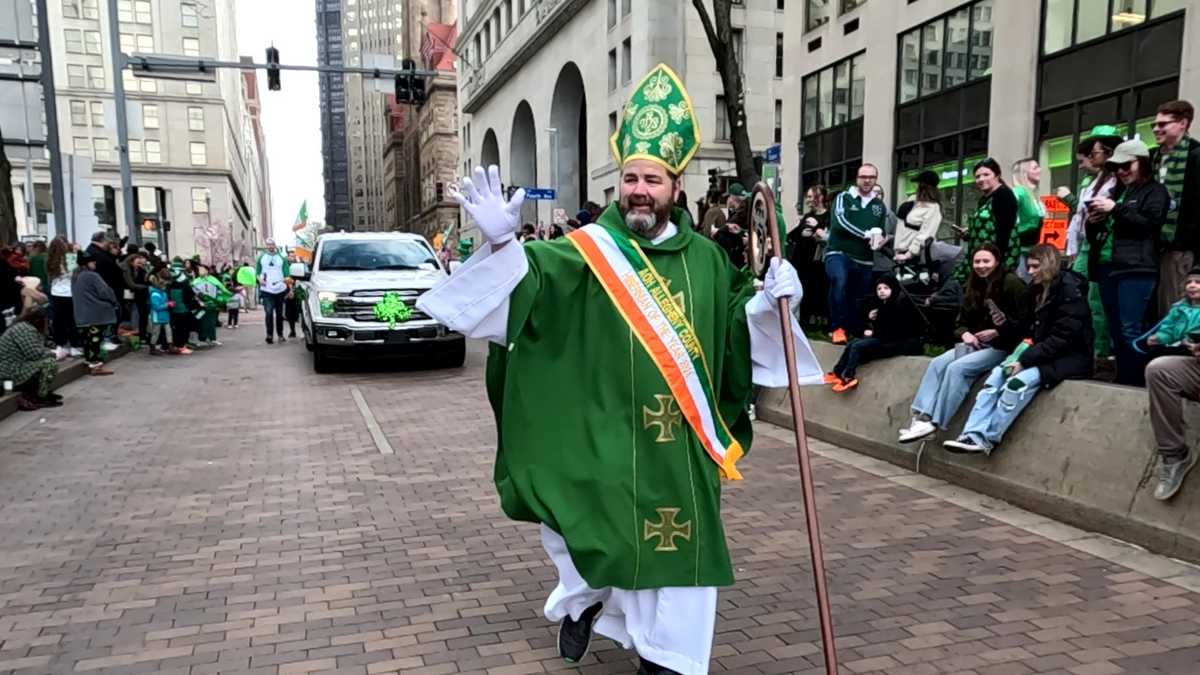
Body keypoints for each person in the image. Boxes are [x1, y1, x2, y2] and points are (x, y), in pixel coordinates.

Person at [417, 63, 822, 675]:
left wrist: (769, 301)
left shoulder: (710, 260)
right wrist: (503, 246)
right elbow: (527, 293)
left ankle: (669, 662)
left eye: (652, 179)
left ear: (675, 187)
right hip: (603, 433)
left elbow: (736, 327)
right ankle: (585, 604)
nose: (638, 189)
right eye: (630, 177)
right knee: (600, 540)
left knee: (684, 556)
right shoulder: (585, 254)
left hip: (680, 447)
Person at [942, 245, 1092, 454]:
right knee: (994, 379)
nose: (1030, 272)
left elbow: (1063, 338)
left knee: (1017, 384)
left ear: (1048, 265)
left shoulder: (1069, 292)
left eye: (1035, 267)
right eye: (1029, 267)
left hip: (1065, 358)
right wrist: (1003, 325)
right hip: (1037, 353)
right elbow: (1025, 327)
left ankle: (989, 437)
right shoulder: (1035, 291)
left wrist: (1025, 360)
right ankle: (972, 433)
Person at [900, 244, 1026, 443]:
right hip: (975, 343)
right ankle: (921, 417)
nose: (981, 266)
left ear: (997, 262)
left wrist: (998, 331)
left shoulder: (1011, 283)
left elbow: (1024, 322)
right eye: (977, 261)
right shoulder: (973, 284)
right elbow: (960, 322)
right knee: (937, 363)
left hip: (1003, 347)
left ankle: (936, 423)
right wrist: (965, 333)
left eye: (986, 261)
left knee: (957, 368)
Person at [1087, 139, 1169, 386]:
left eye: (1126, 165)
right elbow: (1101, 234)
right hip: (1109, 266)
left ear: (1141, 162)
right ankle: (1124, 376)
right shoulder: (1123, 192)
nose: (1121, 171)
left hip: (1137, 268)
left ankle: (1135, 380)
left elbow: (1150, 225)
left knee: (1131, 328)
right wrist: (1094, 220)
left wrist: (1116, 209)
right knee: (1116, 328)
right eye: (1117, 167)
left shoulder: (1155, 191)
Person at [1063, 127, 1123, 365]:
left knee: (1096, 300)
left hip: (1102, 246)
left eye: (1093, 153)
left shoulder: (1117, 180)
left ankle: (1100, 351)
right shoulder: (1095, 180)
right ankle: (1085, 344)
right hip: (1087, 244)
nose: (1088, 161)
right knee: (1076, 295)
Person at [825, 275, 923, 392]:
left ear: (893, 289)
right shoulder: (879, 305)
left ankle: (848, 376)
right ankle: (836, 372)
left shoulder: (897, 305)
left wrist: (874, 322)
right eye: (879, 289)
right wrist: (870, 320)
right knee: (852, 343)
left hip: (889, 340)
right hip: (880, 337)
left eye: (886, 288)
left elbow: (892, 328)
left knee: (857, 346)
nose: (882, 291)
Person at [826, 164, 888, 344]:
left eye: (871, 177)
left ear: (876, 179)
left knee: (859, 296)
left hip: (865, 258)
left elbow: (881, 230)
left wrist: (879, 239)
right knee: (839, 281)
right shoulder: (843, 197)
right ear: (857, 178)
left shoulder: (879, 205)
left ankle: (854, 329)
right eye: (864, 177)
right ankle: (837, 327)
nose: (867, 180)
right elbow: (839, 222)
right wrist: (865, 234)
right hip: (839, 251)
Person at [1152, 100, 1200, 315]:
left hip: (1181, 246)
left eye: (1163, 124)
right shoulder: (1153, 157)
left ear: (1183, 123)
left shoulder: (1196, 155)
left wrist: (1185, 242)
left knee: (1178, 304)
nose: (1156, 129)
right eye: (1155, 124)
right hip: (1153, 245)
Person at [953, 159, 1020, 283]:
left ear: (997, 176)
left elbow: (1004, 231)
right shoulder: (985, 199)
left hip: (993, 260)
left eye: (986, 174)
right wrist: (969, 234)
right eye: (977, 176)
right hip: (981, 256)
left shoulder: (1004, 196)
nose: (981, 179)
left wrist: (996, 262)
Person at [0, 307, 61, 411]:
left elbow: (42, 343)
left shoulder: (28, 328)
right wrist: (55, 354)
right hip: (11, 371)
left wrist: (53, 347)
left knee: (47, 361)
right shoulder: (24, 329)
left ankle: (42, 393)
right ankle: (41, 397)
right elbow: (34, 354)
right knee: (49, 363)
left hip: (18, 365)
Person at [788, 185, 830, 330]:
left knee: (817, 288)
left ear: (821, 198)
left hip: (817, 259)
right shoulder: (807, 216)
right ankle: (805, 318)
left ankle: (819, 318)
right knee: (803, 286)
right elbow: (794, 234)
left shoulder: (828, 216)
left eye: (812, 197)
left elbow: (826, 235)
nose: (809, 200)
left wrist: (815, 230)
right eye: (808, 197)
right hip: (802, 258)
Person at [71, 250, 118, 376]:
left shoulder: (75, 276)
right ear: (87, 263)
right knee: (96, 341)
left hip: (81, 315)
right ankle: (96, 366)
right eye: (92, 261)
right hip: (96, 314)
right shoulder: (92, 276)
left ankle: (89, 363)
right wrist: (114, 301)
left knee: (88, 341)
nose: (95, 263)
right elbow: (104, 291)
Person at [895, 171, 943, 263]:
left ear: (923, 186)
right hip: (901, 251)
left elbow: (926, 233)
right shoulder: (912, 201)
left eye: (917, 183)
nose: (915, 186)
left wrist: (909, 254)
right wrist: (897, 250)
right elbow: (901, 226)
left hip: (918, 255)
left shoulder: (933, 207)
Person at [1009, 158, 1046, 279]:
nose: (1040, 170)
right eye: (1035, 168)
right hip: (1019, 251)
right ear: (1024, 173)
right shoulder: (1019, 191)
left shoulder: (1033, 195)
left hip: (1031, 250)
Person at [45, 238, 82, 360]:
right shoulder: (70, 257)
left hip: (56, 293)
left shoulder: (50, 260)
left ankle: (61, 346)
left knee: (59, 321)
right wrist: (77, 253)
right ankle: (74, 346)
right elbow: (75, 273)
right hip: (70, 293)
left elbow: (50, 277)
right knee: (72, 321)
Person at [257, 239, 290, 344]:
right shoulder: (261, 257)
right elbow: (257, 272)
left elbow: (287, 274)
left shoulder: (282, 258)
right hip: (267, 290)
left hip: (280, 289)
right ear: (266, 246)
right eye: (268, 245)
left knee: (279, 314)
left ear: (275, 245)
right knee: (269, 312)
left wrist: (290, 288)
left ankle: (280, 334)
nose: (270, 246)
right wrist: (259, 279)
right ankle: (269, 335)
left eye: (272, 244)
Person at [192, 264, 230, 347]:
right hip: (201, 305)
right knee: (201, 322)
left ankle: (213, 339)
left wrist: (219, 299)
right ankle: (202, 339)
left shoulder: (213, 280)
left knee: (212, 322)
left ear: (207, 271)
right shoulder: (195, 281)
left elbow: (221, 289)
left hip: (213, 304)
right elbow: (193, 293)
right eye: (199, 270)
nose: (200, 271)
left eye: (202, 269)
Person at [120, 252, 150, 346]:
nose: (140, 265)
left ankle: (141, 336)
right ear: (131, 262)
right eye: (138, 263)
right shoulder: (127, 270)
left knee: (141, 316)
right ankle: (136, 336)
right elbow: (131, 284)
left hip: (140, 297)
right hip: (132, 297)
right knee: (136, 317)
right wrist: (145, 287)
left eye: (141, 263)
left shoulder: (140, 270)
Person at [167, 266, 197, 355]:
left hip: (173, 310)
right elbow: (191, 295)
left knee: (176, 329)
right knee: (184, 329)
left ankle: (176, 346)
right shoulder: (185, 284)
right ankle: (181, 347)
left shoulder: (170, 285)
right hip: (183, 309)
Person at [148, 269, 172, 355]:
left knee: (168, 330)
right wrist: (167, 305)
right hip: (157, 315)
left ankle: (170, 346)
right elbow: (156, 306)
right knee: (156, 332)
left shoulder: (163, 292)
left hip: (164, 314)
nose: (166, 286)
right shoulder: (155, 293)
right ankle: (152, 347)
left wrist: (168, 304)